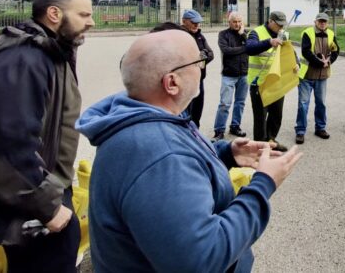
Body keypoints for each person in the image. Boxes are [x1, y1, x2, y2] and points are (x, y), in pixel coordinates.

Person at [75, 30, 302, 273]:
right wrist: (264, 184)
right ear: (172, 82)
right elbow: (202, 260)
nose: (203, 68)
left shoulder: (147, 116)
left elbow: (179, 156)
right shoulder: (159, 155)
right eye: (198, 61)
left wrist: (225, 153)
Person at [0, 0, 94, 273]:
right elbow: (9, 142)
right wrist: (46, 206)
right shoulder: (26, 58)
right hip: (34, 202)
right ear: (54, 14)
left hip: (44, 193)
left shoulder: (51, 52)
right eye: (84, 14)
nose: (91, 21)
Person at [247, 11, 293, 152]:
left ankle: (271, 140)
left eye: (282, 25)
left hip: (277, 83)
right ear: (270, 21)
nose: (280, 28)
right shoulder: (256, 32)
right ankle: (259, 148)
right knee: (260, 118)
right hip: (259, 84)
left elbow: (290, 52)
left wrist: (295, 63)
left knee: (276, 115)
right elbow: (249, 48)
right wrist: (269, 42)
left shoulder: (283, 34)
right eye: (278, 25)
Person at [295, 13, 339, 144]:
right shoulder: (307, 33)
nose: (322, 23)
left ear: (327, 22)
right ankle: (300, 131)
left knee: (321, 104)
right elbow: (306, 52)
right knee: (303, 104)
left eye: (325, 21)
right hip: (307, 75)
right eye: (320, 21)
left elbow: (336, 50)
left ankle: (320, 128)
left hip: (322, 76)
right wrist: (321, 63)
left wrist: (329, 61)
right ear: (315, 21)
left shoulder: (331, 34)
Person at [212, 12, 248, 140]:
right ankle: (219, 130)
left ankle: (235, 126)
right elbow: (227, 50)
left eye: (239, 21)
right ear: (229, 22)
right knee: (224, 104)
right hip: (228, 75)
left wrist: (243, 34)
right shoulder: (223, 34)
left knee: (240, 103)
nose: (237, 24)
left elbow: (251, 46)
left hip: (244, 74)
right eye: (234, 22)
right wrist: (244, 48)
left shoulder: (246, 34)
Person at [181, 9, 215, 127]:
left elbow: (211, 54)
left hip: (199, 79)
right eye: (193, 22)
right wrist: (200, 56)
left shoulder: (199, 35)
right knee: (184, 111)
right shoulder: (180, 36)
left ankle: (196, 134)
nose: (196, 25)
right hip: (185, 80)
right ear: (184, 21)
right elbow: (182, 59)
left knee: (197, 110)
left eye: (198, 22)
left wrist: (200, 57)